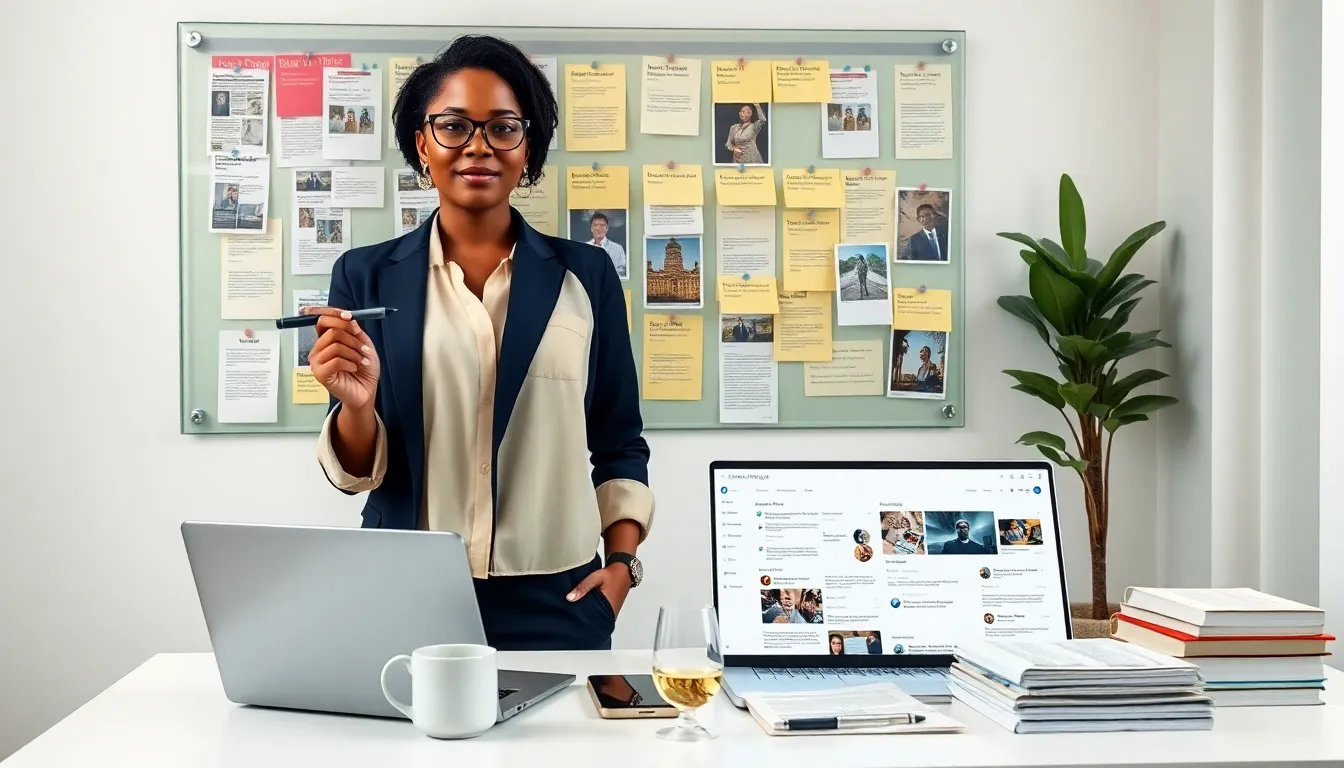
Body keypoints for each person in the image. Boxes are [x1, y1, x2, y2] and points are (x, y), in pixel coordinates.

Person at [303, 35, 652, 652]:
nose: (478, 147)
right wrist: (356, 406)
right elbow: (359, 475)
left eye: (503, 128)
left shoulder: (587, 276)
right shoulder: (365, 277)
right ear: (422, 143)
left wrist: (622, 567)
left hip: (560, 596)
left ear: (527, 147)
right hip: (405, 591)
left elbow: (617, 437)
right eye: (454, 126)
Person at [584, 212, 626, 277]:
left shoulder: (618, 249)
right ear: (591, 228)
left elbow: (622, 273)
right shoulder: (584, 248)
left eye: (601, 225)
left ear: (607, 228)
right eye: (595, 225)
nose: (598, 228)